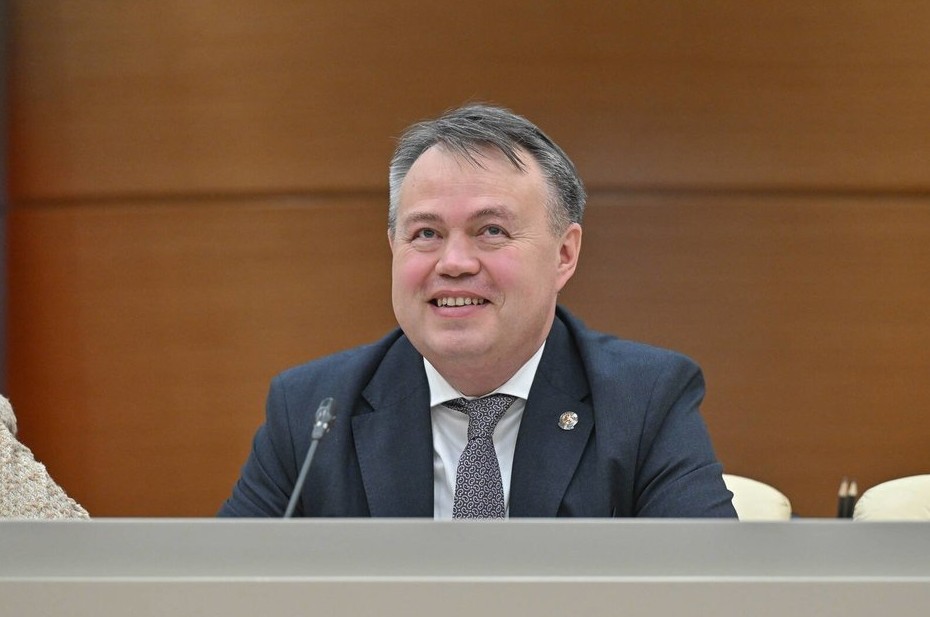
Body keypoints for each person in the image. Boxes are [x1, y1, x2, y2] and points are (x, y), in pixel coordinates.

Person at [219, 103, 736, 518]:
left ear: (564, 254)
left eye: (491, 231)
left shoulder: (644, 402)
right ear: (394, 249)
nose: (454, 263)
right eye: (427, 233)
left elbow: (709, 590)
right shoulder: (313, 411)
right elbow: (227, 590)